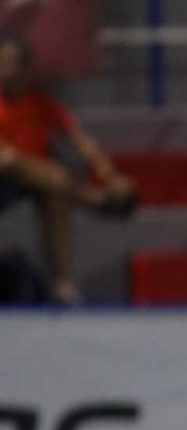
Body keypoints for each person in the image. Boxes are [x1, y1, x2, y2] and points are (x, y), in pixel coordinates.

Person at [0, 33, 136, 303]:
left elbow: (82, 142)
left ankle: (64, 285)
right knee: (10, 160)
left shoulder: (42, 105)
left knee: (55, 193)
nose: (4, 70)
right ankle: (90, 200)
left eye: (9, 64)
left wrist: (109, 175)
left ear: (26, 69)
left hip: (36, 183)